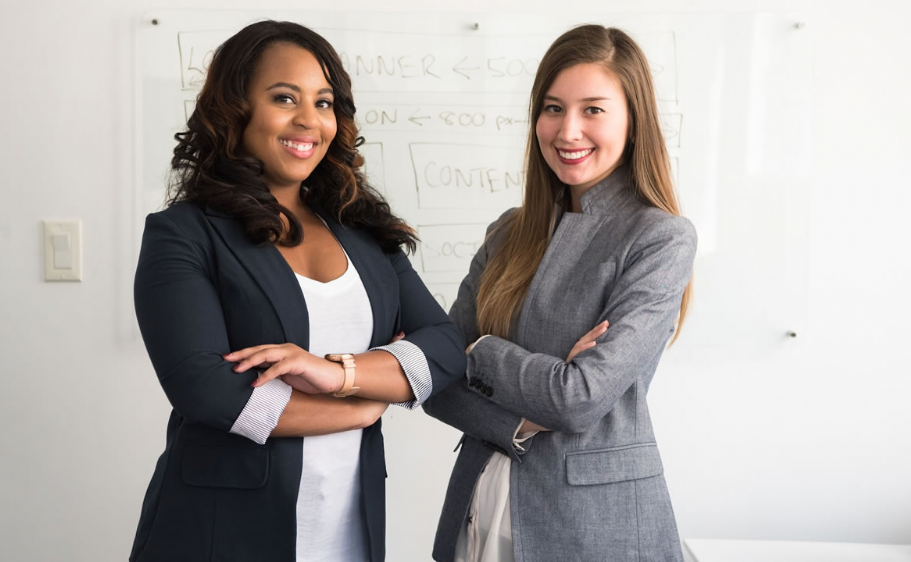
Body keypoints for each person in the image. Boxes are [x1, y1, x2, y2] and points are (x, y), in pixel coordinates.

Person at [128, 20, 465, 562]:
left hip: (348, 536)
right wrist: (360, 407)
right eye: (285, 98)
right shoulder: (184, 234)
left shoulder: (362, 233)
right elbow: (208, 390)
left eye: (324, 102)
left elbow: (445, 346)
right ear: (236, 109)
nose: (310, 119)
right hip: (221, 535)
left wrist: (340, 375)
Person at [423, 24, 696, 562]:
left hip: (593, 527)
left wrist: (479, 351)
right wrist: (518, 420)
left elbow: (578, 398)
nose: (568, 130)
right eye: (553, 108)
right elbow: (434, 376)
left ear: (633, 119)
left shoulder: (660, 237)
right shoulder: (508, 230)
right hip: (479, 506)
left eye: (593, 109)